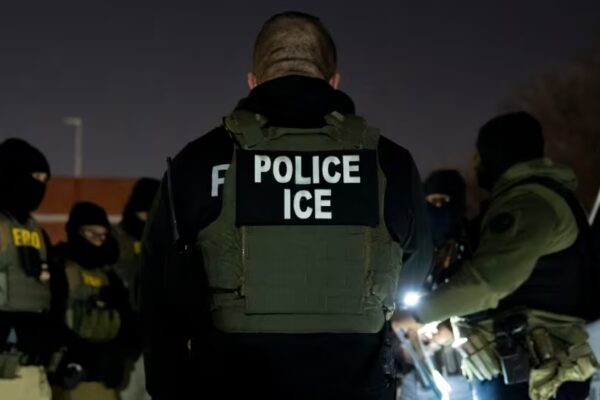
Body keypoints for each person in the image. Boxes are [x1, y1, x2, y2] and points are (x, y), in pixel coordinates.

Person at [141, 11, 432, 400]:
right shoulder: (390, 163)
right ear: (334, 81)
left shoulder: (199, 161)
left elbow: (156, 295)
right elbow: (414, 271)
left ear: (253, 81)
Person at [399, 112, 599, 400]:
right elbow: (512, 300)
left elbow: (489, 284)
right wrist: (451, 332)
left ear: (496, 153)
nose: (476, 165)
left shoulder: (528, 204)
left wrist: (415, 315)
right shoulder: (526, 200)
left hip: (535, 378)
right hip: (523, 374)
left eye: (479, 157)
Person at [397, 170, 473, 400]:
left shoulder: (471, 247)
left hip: (461, 376)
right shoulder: (413, 252)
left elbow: (477, 298)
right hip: (415, 376)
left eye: (445, 202)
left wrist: (447, 330)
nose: (438, 209)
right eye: (431, 203)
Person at [51, 202, 135, 400]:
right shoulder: (60, 267)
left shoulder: (109, 275)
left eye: (103, 235)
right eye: (91, 234)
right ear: (76, 231)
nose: (98, 241)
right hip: (65, 372)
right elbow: (51, 319)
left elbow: (127, 323)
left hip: (99, 376)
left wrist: (116, 357)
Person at [0, 138, 59, 400]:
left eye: (45, 179)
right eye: (35, 176)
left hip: (34, 367)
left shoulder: (35, 230)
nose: (41, 185)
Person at [113, 178, 158, 400]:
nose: (148, 219)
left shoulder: (163, 241)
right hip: (126, 336)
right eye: (144, 213)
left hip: (155, 336)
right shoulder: (117, 240)